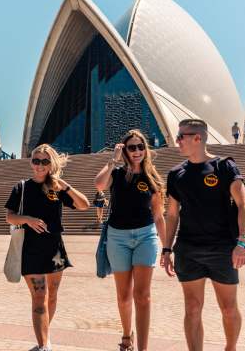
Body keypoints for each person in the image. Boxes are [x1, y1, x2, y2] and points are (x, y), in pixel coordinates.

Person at [161, 119, 245, 351]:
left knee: (228, 307)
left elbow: (243, 204)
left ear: (197, 138)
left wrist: (243, 241)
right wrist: (166, 248)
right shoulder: (176, 173)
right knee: (192, 308)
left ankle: (230, 348)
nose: (177, 141)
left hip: (223, 249)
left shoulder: (224, 167)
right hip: (188, 250)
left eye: (181, 136)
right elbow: (172, 214)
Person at [5, 144, 89, 351]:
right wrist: (28, 219)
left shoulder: (56, 188)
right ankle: (44, 346)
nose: (40, 165)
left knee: (51, 295)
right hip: (30, 249)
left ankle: (44, 336)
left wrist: (65, 186)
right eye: (36, 161)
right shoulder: (21, 187)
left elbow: (84, 205)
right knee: (39, 296)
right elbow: (10, 217)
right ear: (31, 162)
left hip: (54, 249)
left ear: (51, 164)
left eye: (44, 161)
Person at [94, 129, 166, 351]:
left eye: (140, 146)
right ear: (124, 150)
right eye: (131, 147)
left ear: (146, 149)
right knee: (124, 296)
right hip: (118, 238)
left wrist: (167, 248)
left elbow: (158, 216)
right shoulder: (116, 174)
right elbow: (99, 184)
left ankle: (143, 348)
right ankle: (127, 335)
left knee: (142, 296)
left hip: (146, 236)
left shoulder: (152, 178)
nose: (137, 151)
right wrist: (112, 160)